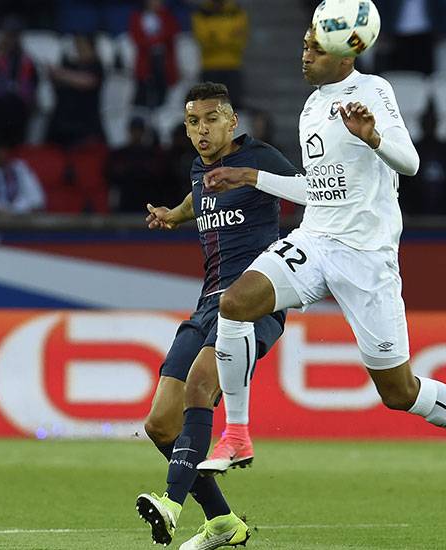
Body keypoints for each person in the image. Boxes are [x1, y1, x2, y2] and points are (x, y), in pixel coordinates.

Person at [198, 27, 446, 504]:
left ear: (344, 55)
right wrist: (253, 177)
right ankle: (237, 433)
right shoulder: (312, 105)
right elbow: (320, 190)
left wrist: (373, 137)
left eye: (313, 48)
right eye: (304, 44)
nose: (304, 54)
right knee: (235, 303)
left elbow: (410, 163)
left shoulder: (373, 91)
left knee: (399, 392)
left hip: (367, 258)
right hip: (316, 239)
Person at [135, 82, 300, 549]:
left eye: (211, 119)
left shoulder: (261, 158)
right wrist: (174, 214)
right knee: (160, 423)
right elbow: (197, 200)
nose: (202, 129)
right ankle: (224, 523)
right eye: (193, 121)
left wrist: (304, 257)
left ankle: (170, 503)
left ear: (232, 122)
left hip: (253, 302)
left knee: (201, 385)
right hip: (208, 303)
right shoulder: (198, 168)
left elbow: (314, 192)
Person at [0, 16, 38, 148]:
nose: (10, 39)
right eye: (8, 34)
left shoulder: (27, 60)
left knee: (14, 109)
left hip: (16, 110)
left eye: (14, 35)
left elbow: (32, 89)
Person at [398, 108, 446, 215]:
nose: (429, 125)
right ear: (421, 125)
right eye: (426, 122)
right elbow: (402, 184)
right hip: (417, 215)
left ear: (436, 124)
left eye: (431, 122)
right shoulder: (411, 151)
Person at [46, 34, 105, 148]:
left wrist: (62, 75)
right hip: (62, 122)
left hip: (86, 124)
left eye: (83, 46)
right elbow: (56, 81)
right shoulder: (69, 65)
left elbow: (87, 81)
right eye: (78, 46)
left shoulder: (96, 66)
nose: (80, 50)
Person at [192, 0, 249, 107]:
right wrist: (228, 37)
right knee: (210, 107)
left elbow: (240, 39)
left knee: (234, 105)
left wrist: (215, 37)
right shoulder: (201, 13)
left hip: (232, 66)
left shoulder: (237, 11)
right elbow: (203, 39)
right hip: (210, 67)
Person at [129, 0, 180, 109]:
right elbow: (137, 38)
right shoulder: (137, 17)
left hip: (164, 59)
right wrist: (155, 41)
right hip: (145, 58)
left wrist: (154, 40)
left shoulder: (167, 15)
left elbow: (171, 33)